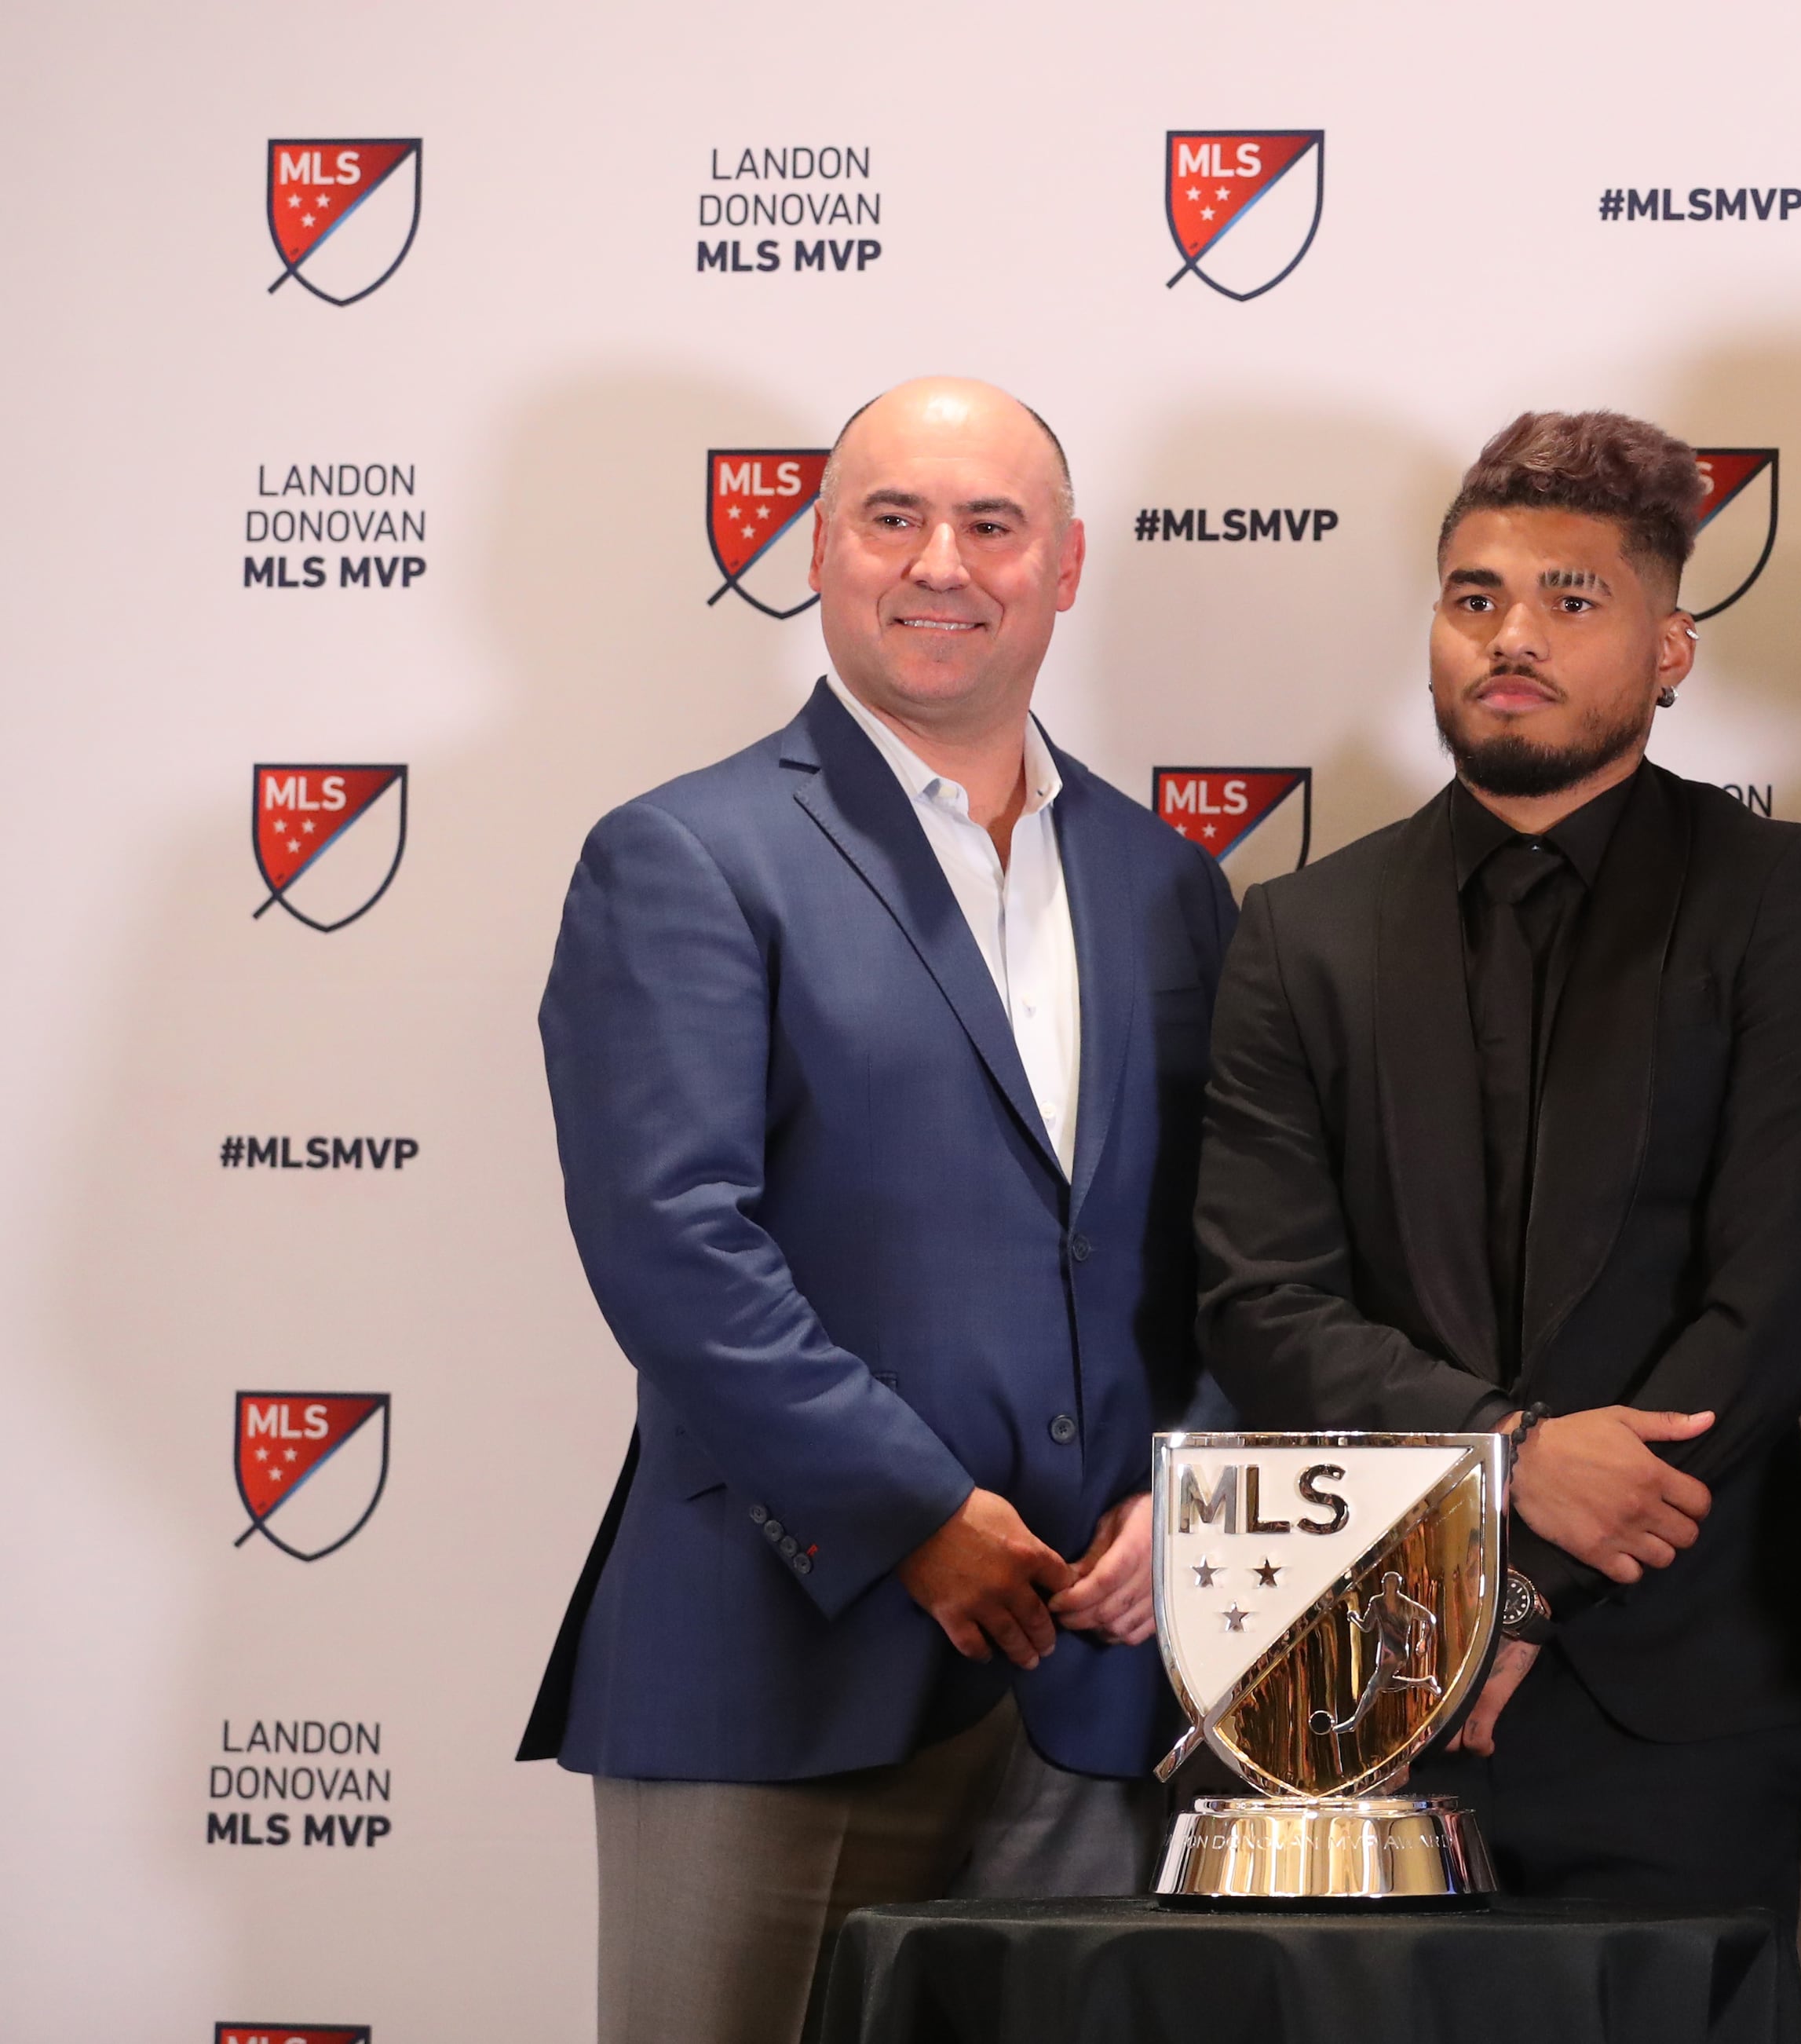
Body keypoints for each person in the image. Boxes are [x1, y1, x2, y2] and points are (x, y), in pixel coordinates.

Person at [518, 378, 1235, 2044]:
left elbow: (1241, 1248)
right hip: (776, 1655)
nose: (943, 563)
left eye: (994, 525)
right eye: (892, 517)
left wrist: (1190, 1492)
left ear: (1064, 568)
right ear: (819, 551)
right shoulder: (686, 856)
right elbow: (671, 1244)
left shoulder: (1170, 885)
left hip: (1103, 1670)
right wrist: (914, 1510)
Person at [1194, 411, 1801, 2031]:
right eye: (1473, 596)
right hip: (1358, 1671)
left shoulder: (1782, 896)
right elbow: (1260, 1299)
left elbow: (1784, 1294)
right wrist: (1502, 1462)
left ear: (1670, 650)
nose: (1512, 635)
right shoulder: (1302, 930)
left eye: (1572, 600)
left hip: (1681, 1677)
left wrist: (1530, 1589)